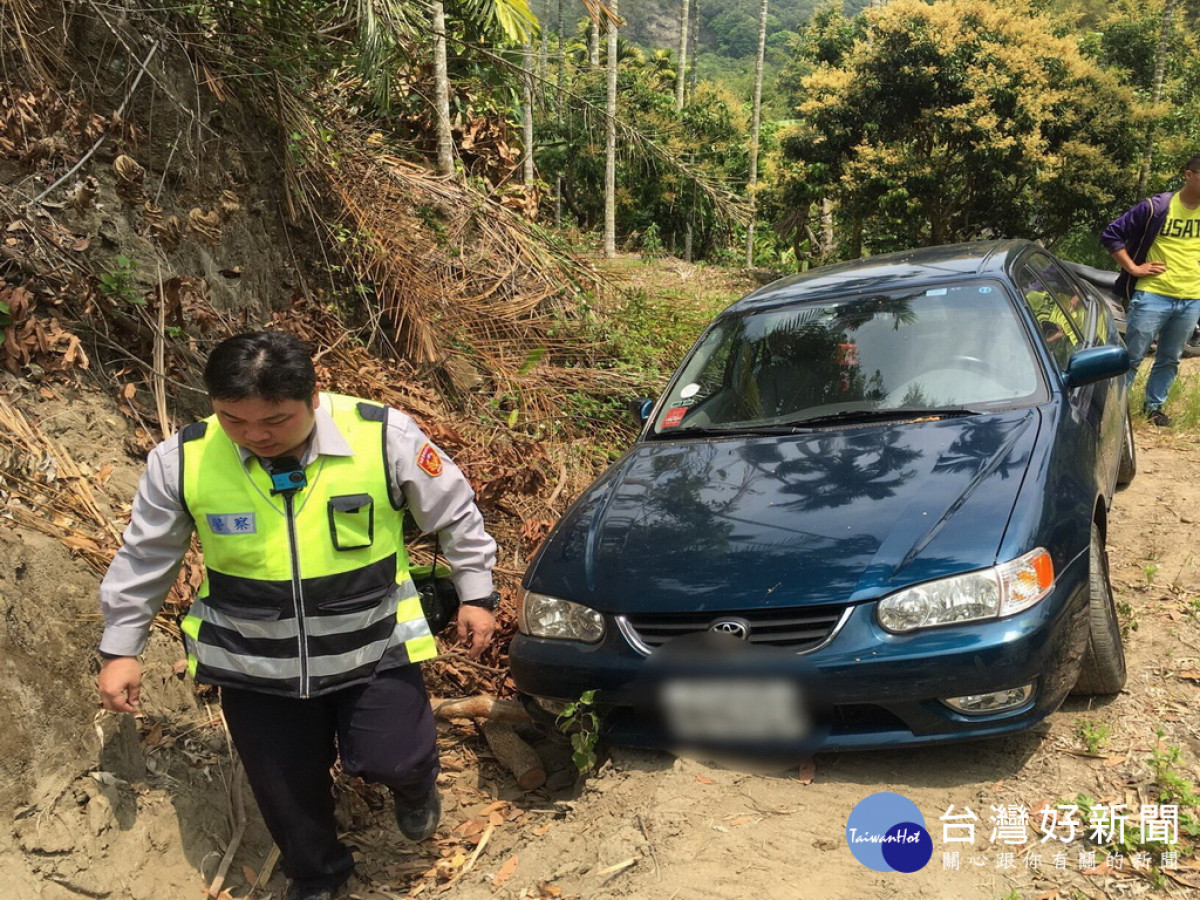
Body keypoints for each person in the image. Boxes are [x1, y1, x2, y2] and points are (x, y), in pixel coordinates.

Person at [96, 331, 499, 900]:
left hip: (372, 644)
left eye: (275, 420)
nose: (255, 435)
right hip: (254, 661)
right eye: (234, 419)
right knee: (285, 790)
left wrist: (476, 593)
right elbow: (145, 558)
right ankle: (317, 875)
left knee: (394, 758)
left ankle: (414, 787)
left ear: (313, 397)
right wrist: (121, 647)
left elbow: (455, 513)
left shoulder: (381, 435)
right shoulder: (183, 460)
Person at [1101, 153, 1200, 427]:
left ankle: (1154, 408)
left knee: (1170, 358)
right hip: (1153, 293)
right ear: (1189, 175)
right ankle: (1114, 411)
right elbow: (1111, 234)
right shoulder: (1156, 207)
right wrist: (1133, 268)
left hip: (1192, 297)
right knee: (1132, 356)